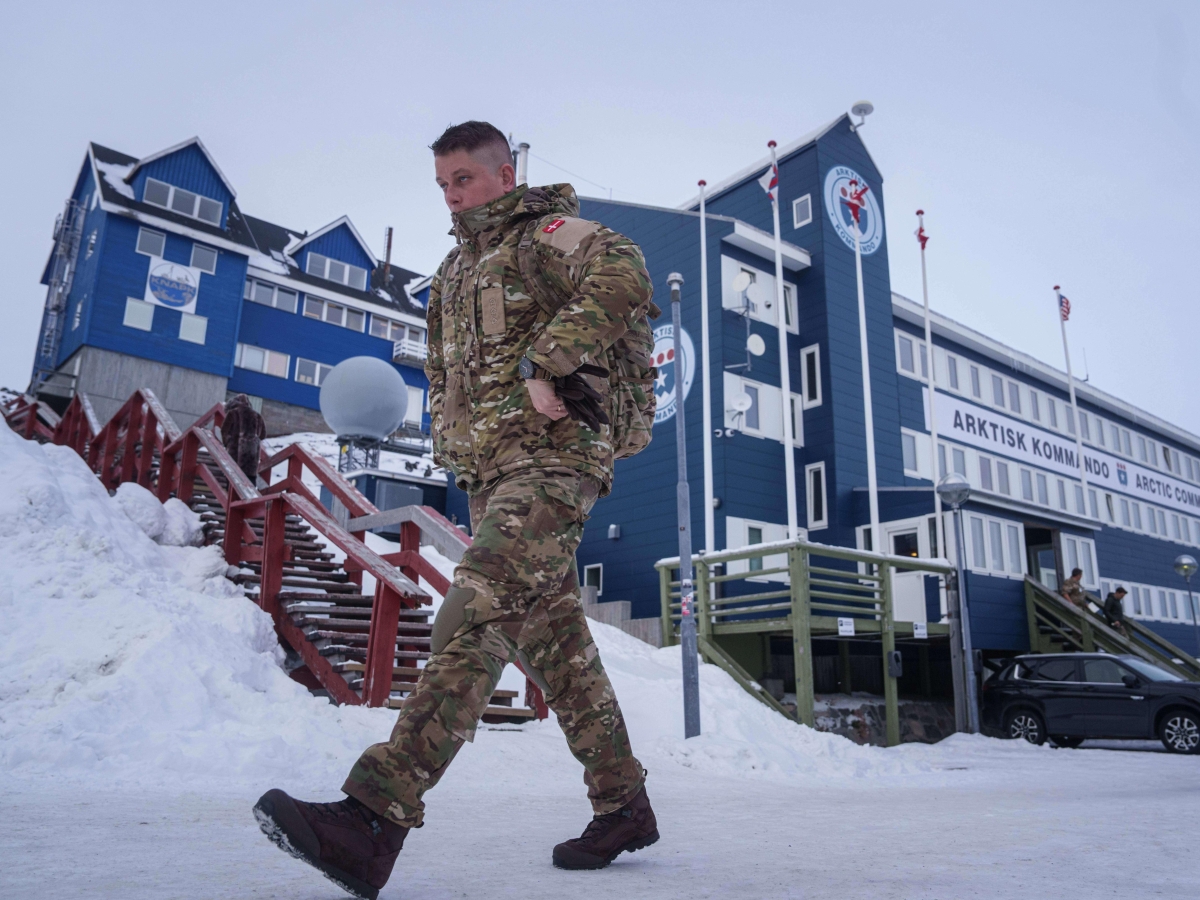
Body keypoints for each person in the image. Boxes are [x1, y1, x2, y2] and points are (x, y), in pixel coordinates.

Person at [253, 121, 657, 900]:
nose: (451, 196)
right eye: (442, 184)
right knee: (561, 654)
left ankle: (374, 816)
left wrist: (549, 359)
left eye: (463, 179)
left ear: (504, 174)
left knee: (475, 614)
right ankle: (624, 806)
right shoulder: (454, 271)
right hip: (493, 475)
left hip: (552, 462)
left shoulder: (542, 235)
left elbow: (624, 268)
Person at [221, 394, 265, 483]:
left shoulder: (232, 414)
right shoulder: (257, 416)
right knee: (249, 485)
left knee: (232, 482)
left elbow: (224, 431)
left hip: (234, 456)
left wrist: (228, 443)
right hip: (251, 459)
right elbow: (263, 435)